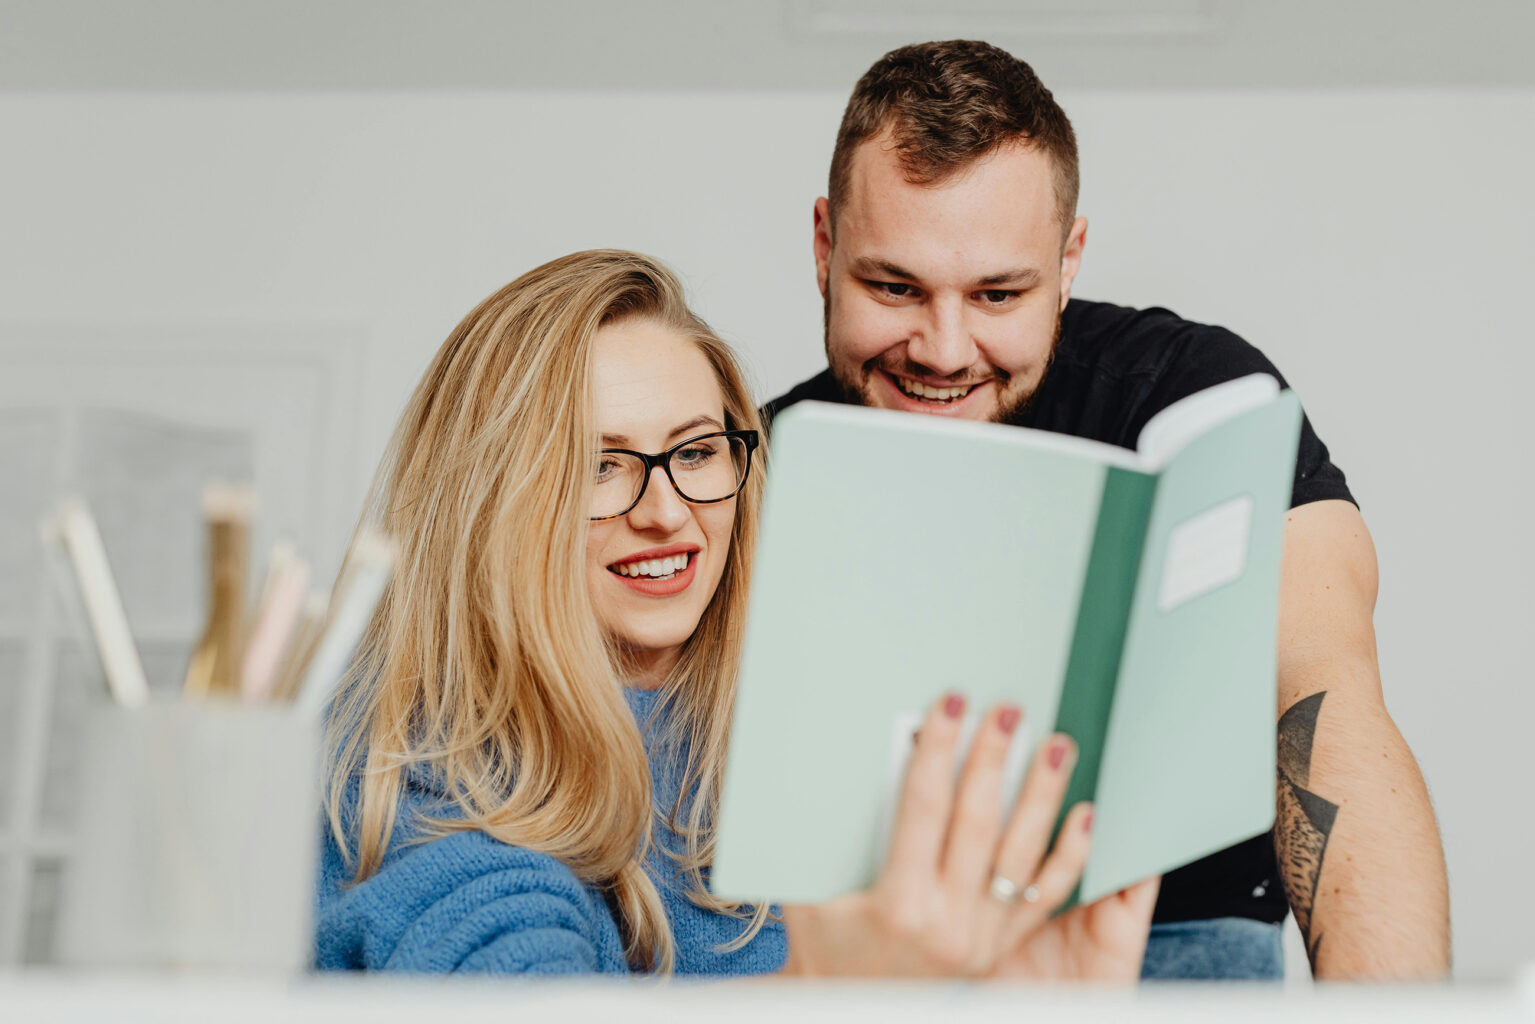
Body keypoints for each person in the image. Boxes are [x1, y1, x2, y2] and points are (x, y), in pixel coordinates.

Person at [764, 40, 1450, 981]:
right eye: (894, 287)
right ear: (823, 246)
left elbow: (1320, 693)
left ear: (1069, 258)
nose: (942, 348)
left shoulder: (1194, 396)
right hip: (849, 959)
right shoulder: (737, 465)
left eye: (999, 294)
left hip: (1173, 938)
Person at [314, 248, 1158, 978]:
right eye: (600, 465)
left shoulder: (805, 724)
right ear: (485, 502)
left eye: (696, 451)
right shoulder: (413, 755)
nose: (667, 511)